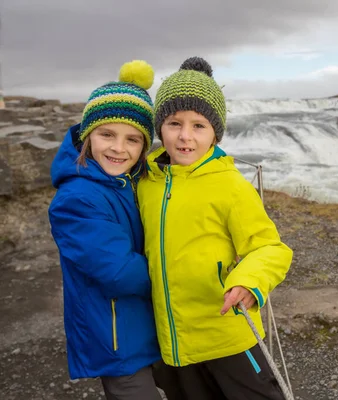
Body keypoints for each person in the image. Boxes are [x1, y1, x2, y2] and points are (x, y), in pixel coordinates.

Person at [137, 57, 293, 400]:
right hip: (173, 340)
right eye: (174, 123)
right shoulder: (145, 181)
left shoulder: (230, 186)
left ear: (215, 133)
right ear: (159, 127)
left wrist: (250, 282)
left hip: (227, 334)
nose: (185, 136)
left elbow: (270, 248)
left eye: (199, 126)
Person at [48, 60, 163, 400]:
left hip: (143, 326)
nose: (118, 148)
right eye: (107, 134)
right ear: (87, 135)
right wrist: (181, 273)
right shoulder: (76, 198)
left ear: (144, 148)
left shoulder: (131, 182)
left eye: (133, 139)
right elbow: (119, 273)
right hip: (115, 339)